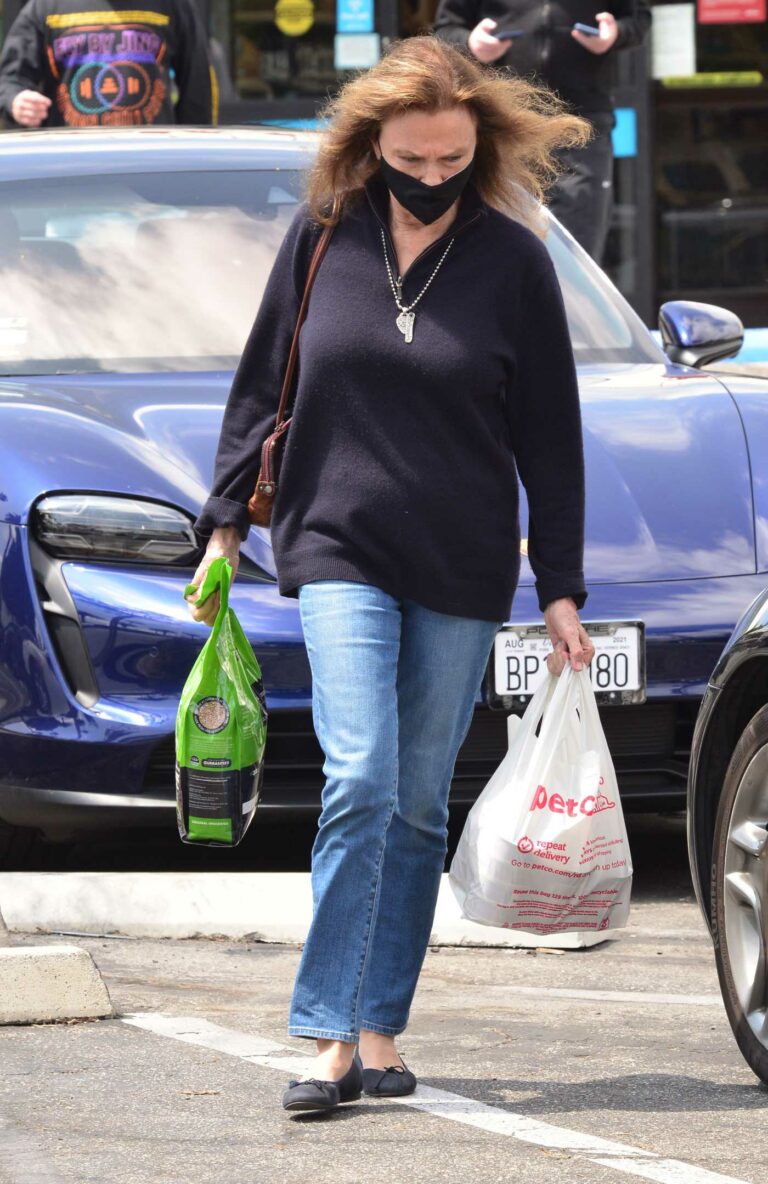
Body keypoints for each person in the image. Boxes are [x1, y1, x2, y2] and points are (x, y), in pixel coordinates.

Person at [187, 33, 595, 1115]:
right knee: (361, 774)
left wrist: (560, 586)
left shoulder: (515, 262)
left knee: (416, 804)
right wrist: (226, 522)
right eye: (408, 159)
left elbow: (552, 437)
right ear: (372, 146)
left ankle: (381, 1029)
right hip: (336, 542)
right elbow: (263, 378)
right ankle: (326, 1033)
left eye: (449, 159)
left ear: (482, 145)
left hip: (462, 558)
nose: (428, 178)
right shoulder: (325, 234)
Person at [434, 3, 651, 263]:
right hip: (504, 124)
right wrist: (470, 43)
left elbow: (639, 19)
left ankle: (565, 305)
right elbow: (445, 30)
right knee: (501, 247)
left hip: (581, 125)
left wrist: (615, 34)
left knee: (576, 251)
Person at [0, 0, 215, 128]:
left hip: (152, 162)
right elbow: (8, 79)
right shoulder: (47, 6)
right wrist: (15, 100)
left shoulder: (172, 5)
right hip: (71, 166)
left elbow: (199, 88)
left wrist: (195, 155)